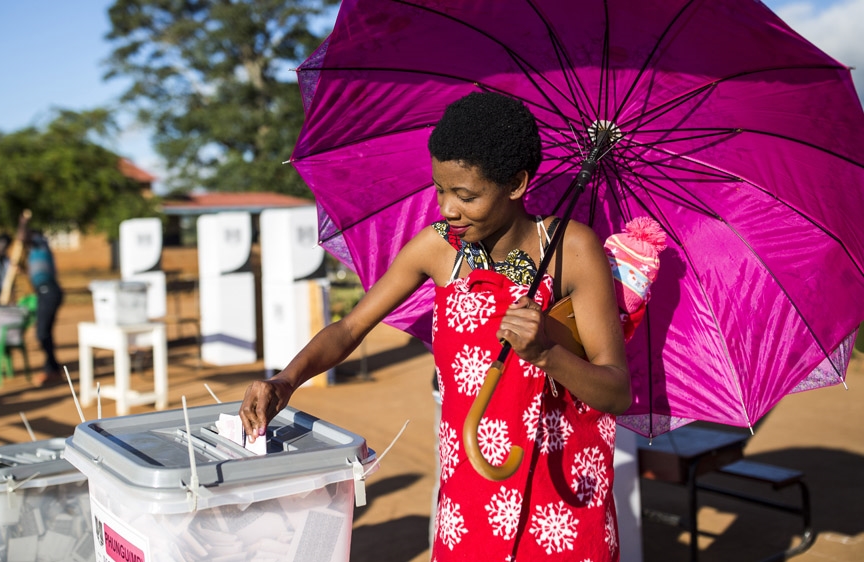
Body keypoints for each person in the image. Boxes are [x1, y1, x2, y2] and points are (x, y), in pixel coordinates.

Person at [240, 92, 631, 560]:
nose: (448, 209)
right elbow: (351, 328)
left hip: (563, 504)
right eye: (440, 189)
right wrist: (287, 379)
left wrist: (548, 353)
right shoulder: (438, 249)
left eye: (466, 195)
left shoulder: (574, 250)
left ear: (516, 183)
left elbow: (617, 391)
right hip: (470, 497)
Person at [26, 230, 64, 387]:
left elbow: (23, 236)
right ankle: (53, 367)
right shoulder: (37, 252)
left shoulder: (40, 245)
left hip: (49, 291)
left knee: (42, 332)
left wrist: (23, 222)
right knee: (45, 332)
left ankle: (51, 369)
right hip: (46, 292)